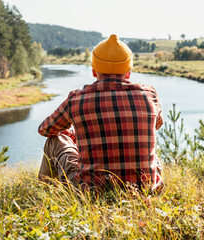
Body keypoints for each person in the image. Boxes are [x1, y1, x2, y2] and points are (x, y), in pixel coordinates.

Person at [38, 34, 163, 191]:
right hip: (144, 189)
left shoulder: (76, 99)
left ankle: (43, 194)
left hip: (91, 191)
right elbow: (157, 125)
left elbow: (45, 129)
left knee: (54, 140)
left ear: (94, 72)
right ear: (128, 72)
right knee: (147, 146)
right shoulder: (150, 95)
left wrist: (75, 133)